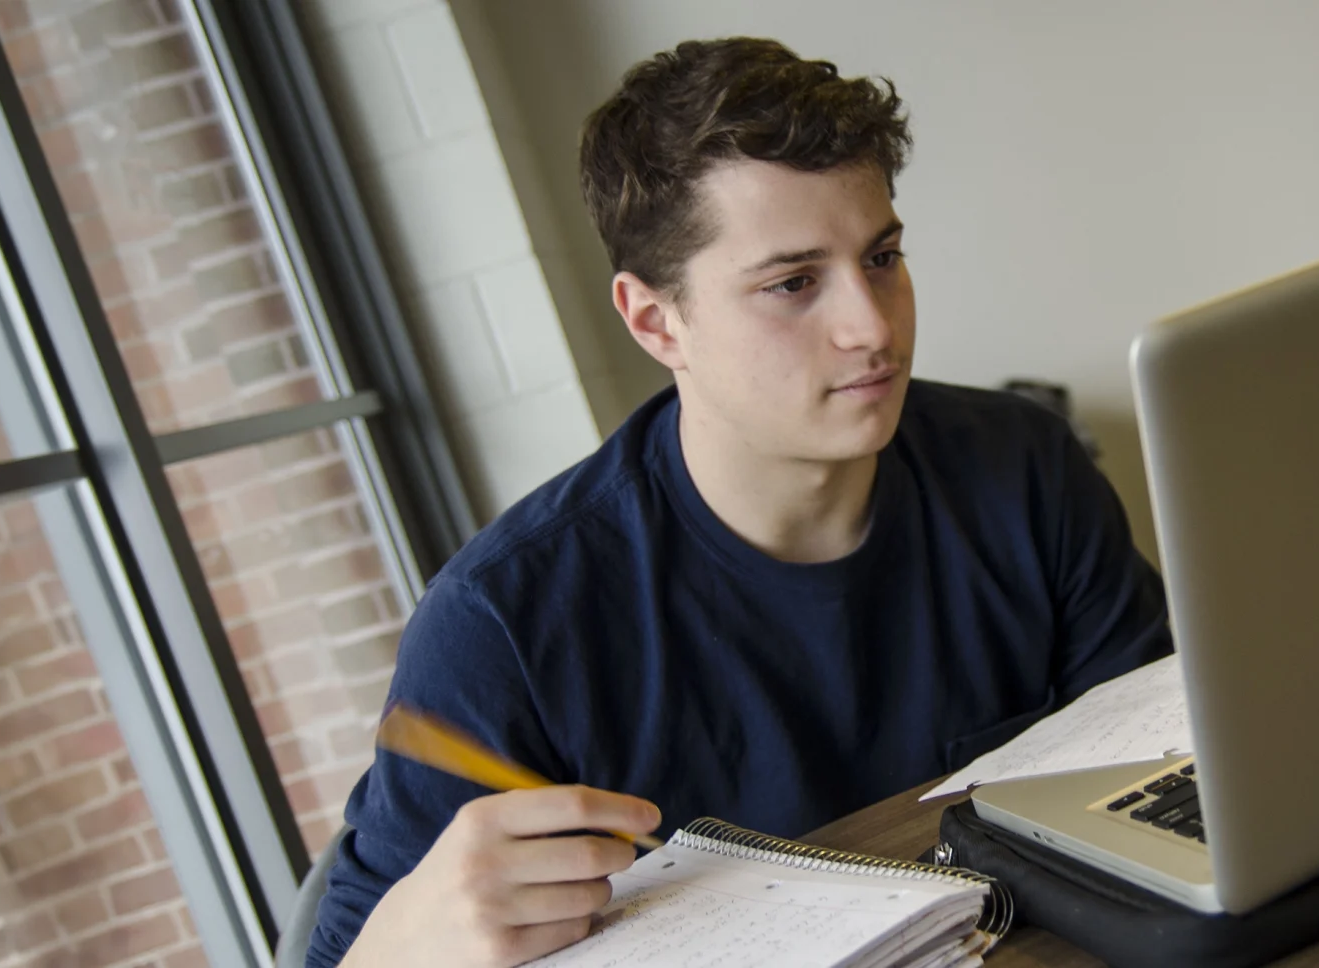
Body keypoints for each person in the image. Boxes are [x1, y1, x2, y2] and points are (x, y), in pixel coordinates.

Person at [310, 36, 1170, 968]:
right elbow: (354, 956)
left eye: (881, 257)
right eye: (793, 283)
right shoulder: (503, 625)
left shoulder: (1025, 465)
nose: (871, 327)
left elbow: (1168, 759)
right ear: (655, 320)